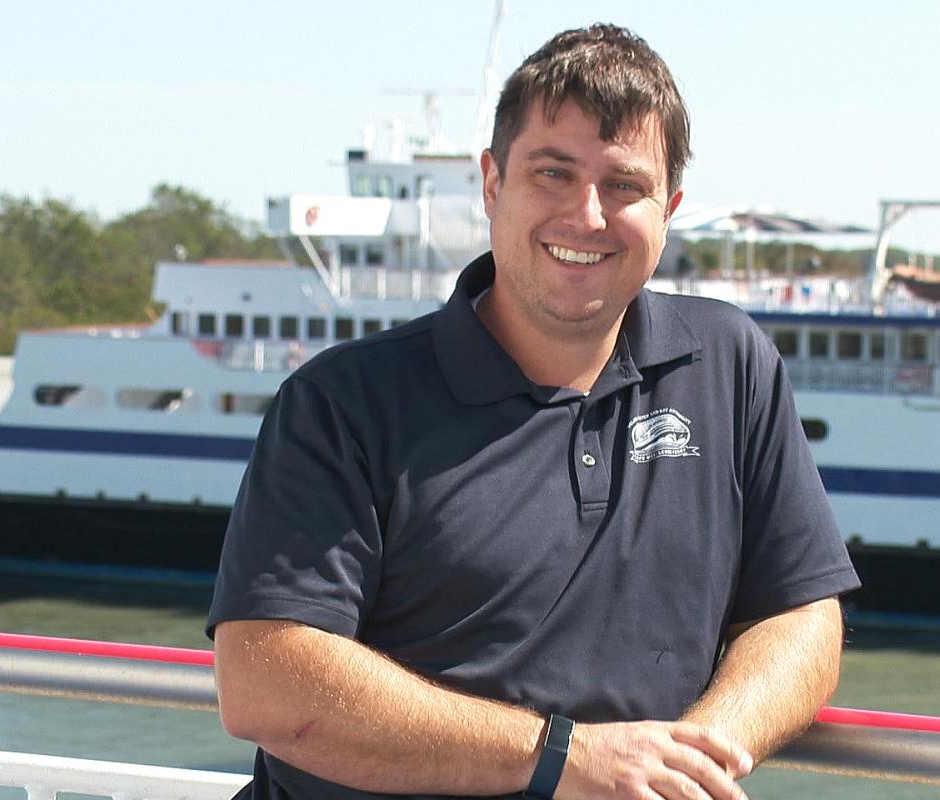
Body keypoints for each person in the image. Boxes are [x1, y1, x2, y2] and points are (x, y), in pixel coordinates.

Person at [207, 23, 860, 800]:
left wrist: (688, 761)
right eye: (553, 174)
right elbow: (264, 679)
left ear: (669, 207)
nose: (587, 215)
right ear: (492, 184)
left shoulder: (728, 363)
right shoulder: (343, 404)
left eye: (624, 186)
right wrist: (563, 759)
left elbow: (801, 618)